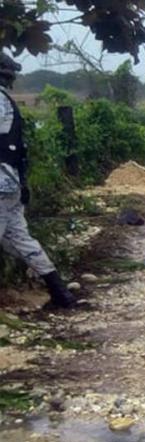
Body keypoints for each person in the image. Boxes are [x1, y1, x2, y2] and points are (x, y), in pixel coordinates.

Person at [0, 53, 76, 308]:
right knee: (21, 239)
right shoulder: (7, 100)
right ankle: (60, 292)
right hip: (11, 182)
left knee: (18, 237)